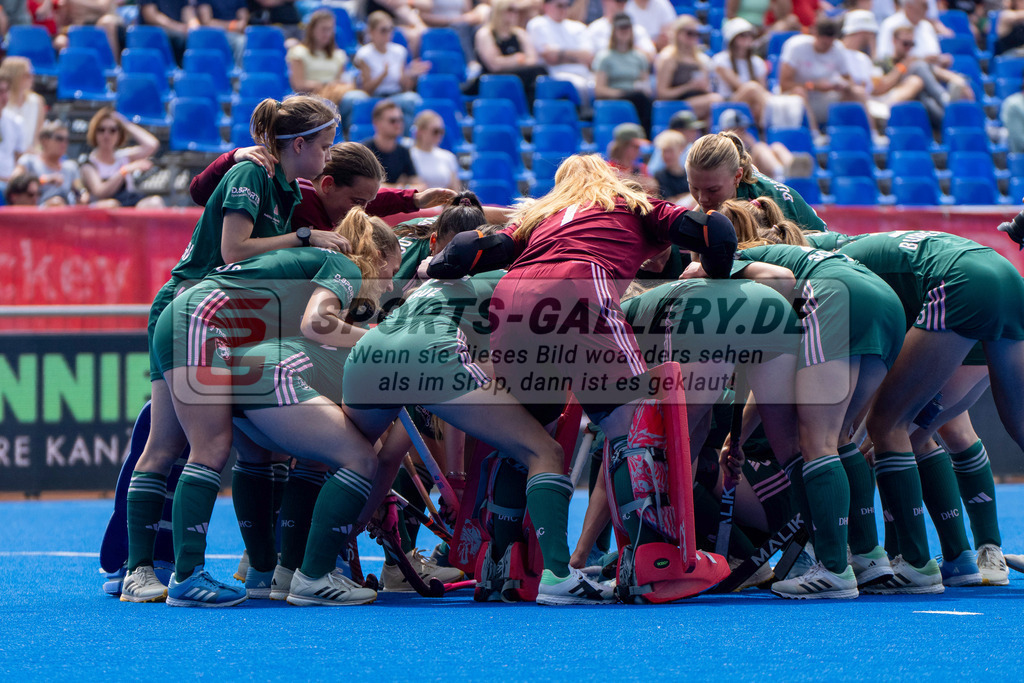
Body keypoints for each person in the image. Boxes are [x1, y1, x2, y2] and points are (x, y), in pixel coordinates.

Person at [426, 154, 739, 602]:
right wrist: (719, 272)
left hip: (513, 296)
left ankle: (504, 563)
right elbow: (714, 230)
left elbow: (467, 249)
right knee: (633, 427)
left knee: (527, 438)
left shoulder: (540, 215)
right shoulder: (632, 203)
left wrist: (437, 267)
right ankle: (650, 560)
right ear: (610, 177)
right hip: (581, 286)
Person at [119, 94, 344, 604]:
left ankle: (148, 573)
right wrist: (306, 237)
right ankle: (171, 575)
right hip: (195, 311)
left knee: (178, 445)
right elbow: (233, 251)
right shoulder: (253, 174)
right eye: (325, 146)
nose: (328, 157)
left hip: (207, 314)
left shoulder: (285, 186)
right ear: (298, 144)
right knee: (194, 446)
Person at [149, 208, 399, 607]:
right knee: (211, 447)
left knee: (257, 455)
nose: (388, 284)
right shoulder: (347, 266)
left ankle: (264, 572)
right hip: (203, 322)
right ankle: (187, 576)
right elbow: (316, 324)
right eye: (392, 271)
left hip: (204, 323)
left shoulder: (322, 263)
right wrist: (382, 340)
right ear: (378, 256)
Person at [701, 200, 906, 599]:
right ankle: (867, 555)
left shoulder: (736, 262)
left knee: (817, 442)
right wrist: (737, 437)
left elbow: (772, 288)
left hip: (835, 298)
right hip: (885, 301)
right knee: (840, 437)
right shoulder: (792, 252)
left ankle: (833, 569)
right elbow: (769, 383)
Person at [837, 230, 1024, 593]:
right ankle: (962, 556)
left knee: (887, 427)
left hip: (960, 290)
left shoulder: (820, 271)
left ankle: (912, 561)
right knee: (1011, 425)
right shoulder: (845, 249)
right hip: (1006, 278)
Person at [684, 131, 826, 231]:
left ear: (737, 176)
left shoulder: (771, 202)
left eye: (713, 190)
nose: (702, 199)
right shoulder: (711, 198)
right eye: (694, 188)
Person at [778, 15, 868, 133]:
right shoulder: (796, 47)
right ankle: (814, 134)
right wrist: (814, 86)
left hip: (825, 98)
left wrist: (843, 86)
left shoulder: (838, 48)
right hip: (799, 98)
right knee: (799, 92)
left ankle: (871, 133)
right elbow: (784, 84)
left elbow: (848, 80)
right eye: (823, 42)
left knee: (858, 92)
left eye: (830, 42)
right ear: (814, 34)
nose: (827, 45)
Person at [343, 11, 428, 134]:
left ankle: (406, 138)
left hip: (394, 97)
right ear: (372, 32)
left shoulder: (399, 51)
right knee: (354, 98)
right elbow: (367, 89)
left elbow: (405, 88)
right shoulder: (364, 54)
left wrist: (410, 75)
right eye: (383, 30)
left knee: (412, 99)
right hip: (373, 97)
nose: (388, 34)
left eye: (390, 29)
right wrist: (383, 75)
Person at [877, 23, 974, 129]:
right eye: (905, 44)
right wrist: (903, 66)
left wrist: (959, 81)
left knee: (924, 91)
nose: (908, 48)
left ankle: (949, 116)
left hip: (921, 101)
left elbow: (938, 72)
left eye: (912, 44)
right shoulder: (884, 62)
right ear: (894, 41)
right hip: (896, 98)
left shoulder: (915, 60)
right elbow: (881, 87)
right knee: (918, 73)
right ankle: (944, 99)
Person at [79, 107, 165, 209]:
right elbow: (100, 192)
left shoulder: (123, 156)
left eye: (113, 130)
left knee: (155, 202)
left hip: (128, 204)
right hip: (104, 210)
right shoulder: (89, 164)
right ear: (95, 133)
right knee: (111, 205)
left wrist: (125, 124)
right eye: (101, 130)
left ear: (119, 134)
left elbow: (152, 145)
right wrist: (124, 171)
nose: (106, 135)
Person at [474, 0, 548, 101]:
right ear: (499, 11)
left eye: (516, 10)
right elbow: (494, 65)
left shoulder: (520, 34)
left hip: (520, 77)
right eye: (510, 10)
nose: (514, 13)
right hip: (494, 80)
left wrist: (507, 61)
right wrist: (517, 58)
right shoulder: (486, 34)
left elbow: (533, 60)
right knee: (535, 73)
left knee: (539, 72)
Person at [593, 12, 653, 134]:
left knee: (644, 100)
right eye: (621, 28)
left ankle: (646, 135)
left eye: (627, 27)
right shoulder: (605, 57)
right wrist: (621, 93)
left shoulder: (640, 57)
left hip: (636, 96)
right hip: (615, 97)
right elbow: (599, 89)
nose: (624, 31)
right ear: (614, 31)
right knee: (639, 99)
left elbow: (645, 83)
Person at [655, 15, 722, 122]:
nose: (694, 37)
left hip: (699, 101)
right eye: (689, 33)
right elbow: (662, 93)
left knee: (713, 112)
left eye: (697, 34)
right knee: (715, 100)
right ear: (678, 33)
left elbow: (707, 88)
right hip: (676, 104)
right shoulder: (668, 58)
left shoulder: (700, 59)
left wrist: (703, 87)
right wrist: (688, 87)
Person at [527, 0, 596, 103]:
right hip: (555, 75)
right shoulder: (538, 24)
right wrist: (577, 57)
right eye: (559, 5)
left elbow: (588, 56)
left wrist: (560, 54)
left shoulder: (578, 27)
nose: (564, 9)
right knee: (579, 86)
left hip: (585, 75)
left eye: (567, 5)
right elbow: (550, 57)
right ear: (546, 6)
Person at [712, 17, 771, 129]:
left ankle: (766, 128)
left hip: (753, 104)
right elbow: (740, 86)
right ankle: (774, 115)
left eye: (749, 35)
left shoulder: (757, 62)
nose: (747, 38)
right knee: (752, 88)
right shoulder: (721, 60)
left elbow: (762, 89)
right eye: (742, 35)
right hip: (729, 103)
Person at [287, 9, 353, 104]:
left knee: (356, 98)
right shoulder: (298, 52)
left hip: (336, 98)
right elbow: (298, 84)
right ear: (312, 29)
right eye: (323, 29)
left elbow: (341, 81)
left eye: (330, 29)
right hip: (309, 99)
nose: (327, 34)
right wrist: (325, 86)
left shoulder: (339, 55)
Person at [14, 120, 87, 206]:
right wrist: (44, 180)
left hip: (65, 209)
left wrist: (83, 196)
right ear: (44, 140)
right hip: (37, 210)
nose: (64, 143)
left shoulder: (71, 167)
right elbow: (14, 184)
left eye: (67, 140)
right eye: (59, 138)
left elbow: (81, 190)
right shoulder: (29, 162)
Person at [363, 99, 424, 189]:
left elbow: (420, 186)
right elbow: (366, 186)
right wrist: (399, 188)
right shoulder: (365, 151)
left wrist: (401, 187)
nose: (398, 124)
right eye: (392, 120)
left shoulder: (403, 151)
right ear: (377, 123)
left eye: (400, 120)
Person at [587, 0, 657, 63]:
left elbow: (651, 57)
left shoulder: (637, 29)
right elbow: (588, 59)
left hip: (632, 71)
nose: (622, 4)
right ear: (605, 1)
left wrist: (628, 45)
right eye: (618, 1)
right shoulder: (595, 29)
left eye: (624, 1)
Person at [0, 56, 44, 154]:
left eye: (32, 74)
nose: (32, 77)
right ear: (14, 76)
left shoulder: (37, 101)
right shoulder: (2, 102)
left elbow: (38, 139)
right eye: (27, 75)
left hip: (30, 156)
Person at [409, 109, 461, 191]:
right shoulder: (408, 156)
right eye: (435, 131)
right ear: (421, 131)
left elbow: (455, 190)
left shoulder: (448, 157)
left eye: (442, 131)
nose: (439, 135)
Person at [139, 0, 199, 65]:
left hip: (180, 33)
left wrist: (193, 28)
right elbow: (150, 15)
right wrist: (177, 27)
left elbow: (188, 12)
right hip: (154, 35)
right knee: (180, 39)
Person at [606, 122, 658, 195]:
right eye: (635, 147)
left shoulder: (642, 168)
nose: (639, 151)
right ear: (623, 146)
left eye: (639, 147)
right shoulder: (608, 168)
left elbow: (652, 191)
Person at [197, 0, 249, 66]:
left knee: (242, 40)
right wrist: (232, 26)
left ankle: (239, 70)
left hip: (235, 34)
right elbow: (207, 22)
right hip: (214, 34)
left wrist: (237, 26)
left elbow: (242, 23)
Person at [651, 129, 690, 203]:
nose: (667, 156)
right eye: (664, 151)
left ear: (681, 149)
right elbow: (668, 201)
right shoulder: (659, 176)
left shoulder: (689, 174)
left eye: (670, 151)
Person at [0, 71, 22, 194]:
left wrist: (13, 179)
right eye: (0, 91)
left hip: (10, 184)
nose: (4, 96)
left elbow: (19, 157)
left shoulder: (16, 121)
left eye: (6, 91)